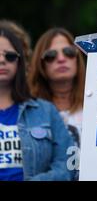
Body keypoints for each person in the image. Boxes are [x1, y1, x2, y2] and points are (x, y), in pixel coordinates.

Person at [0, 27, 73, 181]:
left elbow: (67, 165)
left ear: (20, 62)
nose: (2, 60)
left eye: (10, 56)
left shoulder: (46, 111)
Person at [28, 28, 85, 149]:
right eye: (51, 55)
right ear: (41, 63)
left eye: (68, 52)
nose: (61, 59)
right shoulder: (28, 108)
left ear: (77, 58)